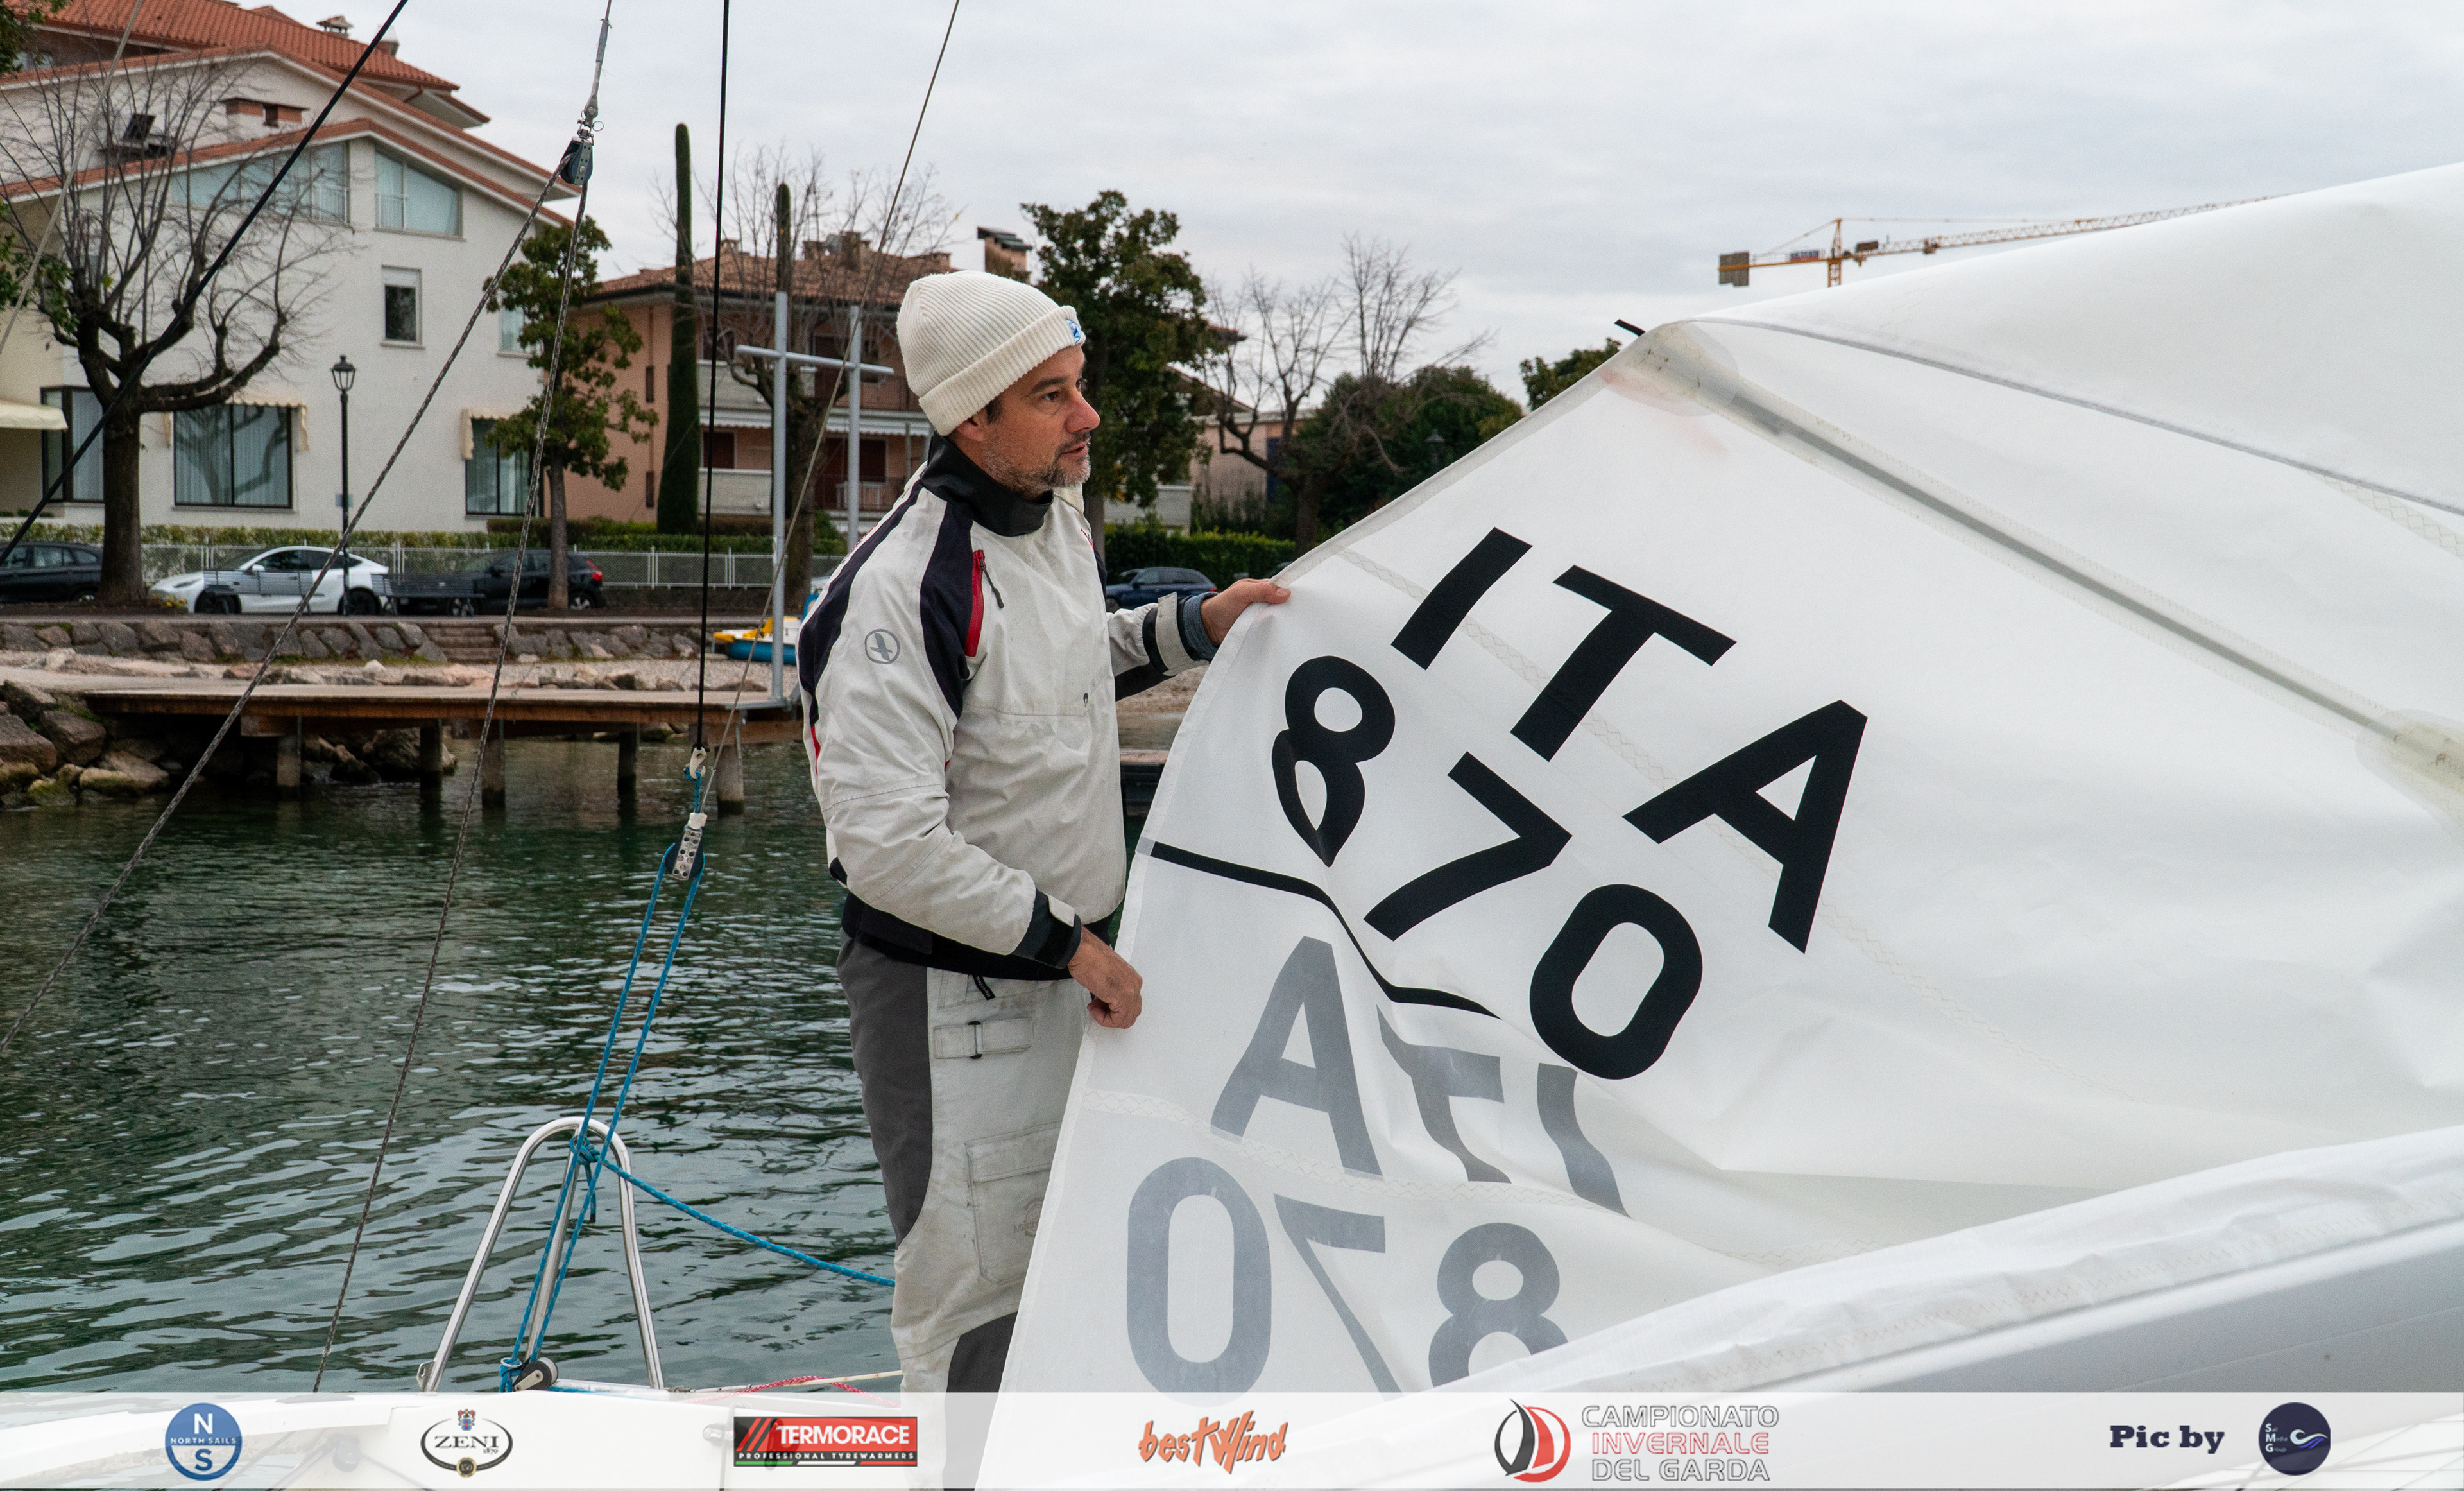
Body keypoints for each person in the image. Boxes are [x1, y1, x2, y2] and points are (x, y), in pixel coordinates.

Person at [796, 270, 1288, 1391]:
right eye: (1054, 396)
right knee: (979, 1312)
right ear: (973, 417)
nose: (1089, 418)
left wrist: (1197, 626)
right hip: (953, 1006)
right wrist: (1076, 947)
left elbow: (1062, 665)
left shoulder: (1052, 515)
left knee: (1080, 1272)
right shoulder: (898, 593)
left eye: (1081, 387)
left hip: (1060, 970)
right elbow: (890, 848)